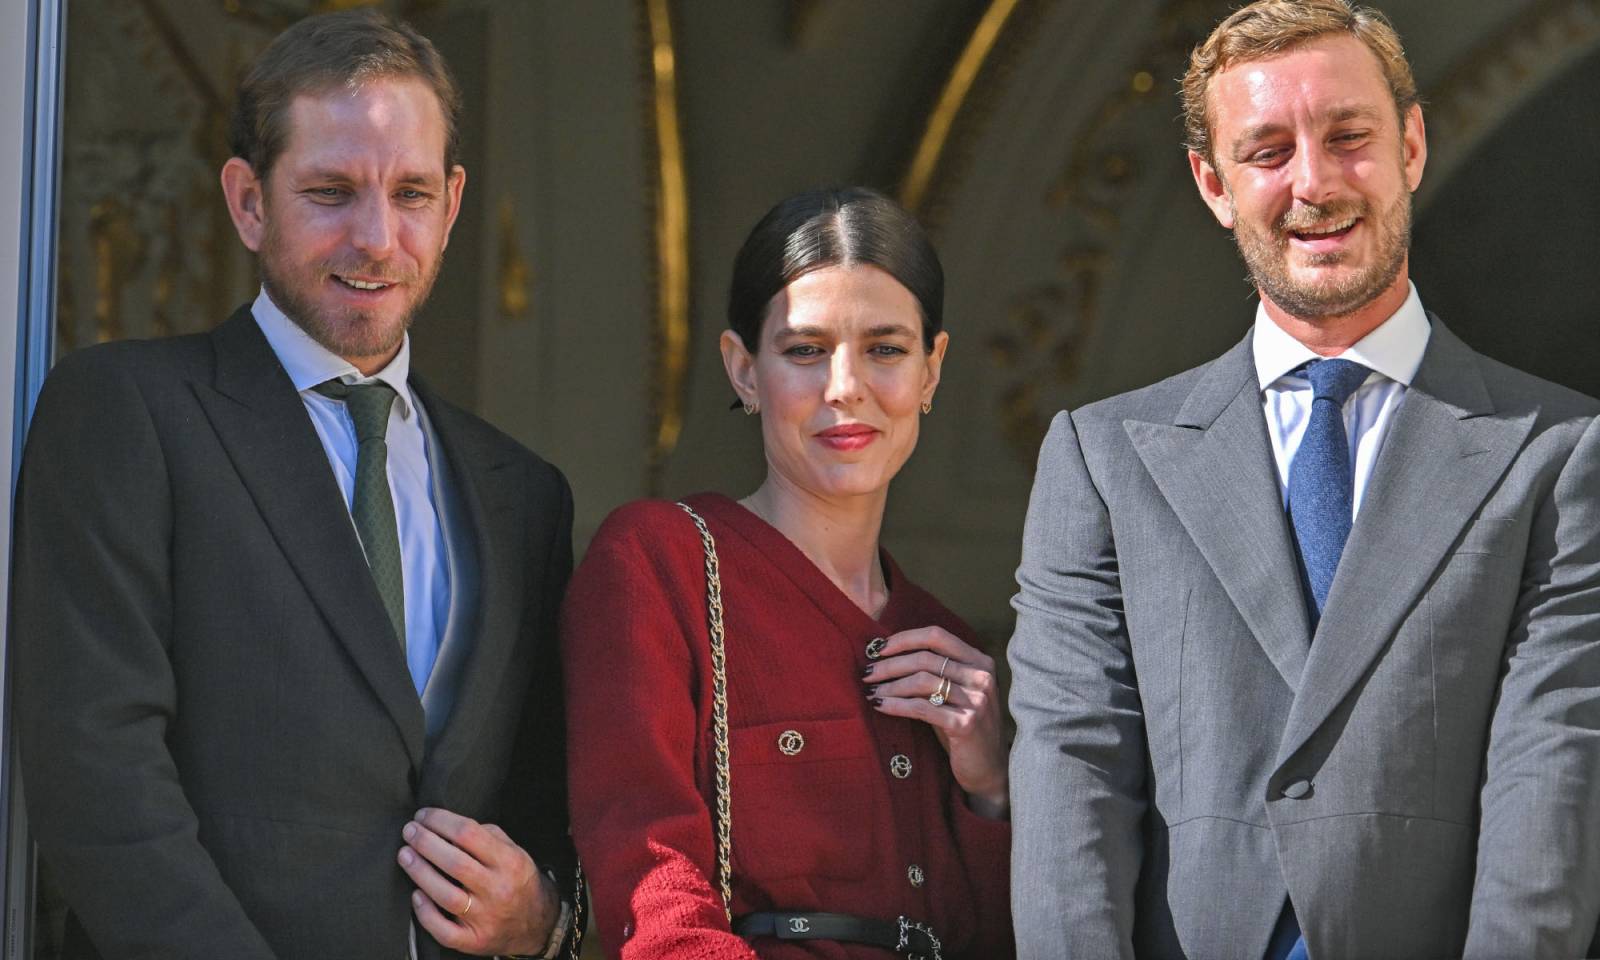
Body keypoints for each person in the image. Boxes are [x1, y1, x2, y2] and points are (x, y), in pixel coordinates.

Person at [1006, 1, 1600, 958]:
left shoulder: (1559, 452)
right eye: (1268, 151)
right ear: (1213, 183)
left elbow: (1552, 777)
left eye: (1348, 137)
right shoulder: (1105, 458)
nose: (1314, 183)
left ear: (1410, 144)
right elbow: (1072, 772)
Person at [12, 11, 581, 960]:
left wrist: (550, 919)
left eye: (410, 193)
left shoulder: (525, 496)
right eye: (330, 192)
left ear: (451, 204)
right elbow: (100, 778)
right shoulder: (125, 413)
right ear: (247, 201)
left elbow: (542, 804)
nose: (376, 237)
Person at [562, 187, 1013, 958]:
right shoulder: (660, 563)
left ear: (932, 371)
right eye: (805, 350)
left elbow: (1001, 935)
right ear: (743, 370)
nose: (845, 386)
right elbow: (651, 888)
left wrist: (992, 788)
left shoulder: (943, 642)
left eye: (886, 348)